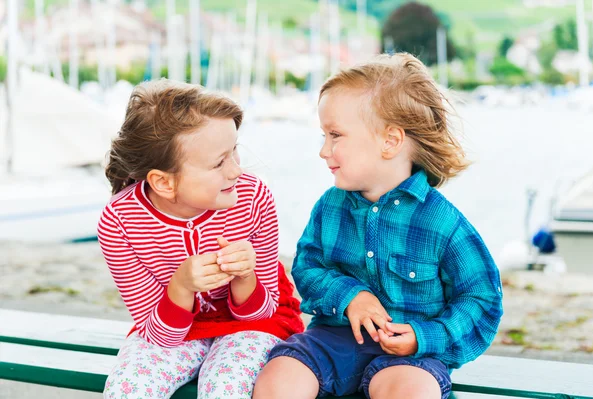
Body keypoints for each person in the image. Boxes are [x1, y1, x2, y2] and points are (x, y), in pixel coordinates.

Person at [253, 53, 503, 399]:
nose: (324, 151)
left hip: (409, 358)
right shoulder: (330, 206)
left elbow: (481, 298)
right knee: (278, 376)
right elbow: (307, 266)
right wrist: (349, 296)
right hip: (331, 341)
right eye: (323, 136)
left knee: (411, 392)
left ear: (390, 141)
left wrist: (425, 337)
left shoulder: (443, 223)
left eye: (335, 135)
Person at [97, 79, 303, 399]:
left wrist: (244, 275)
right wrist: (181, 286)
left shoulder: (253, 197)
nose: (236, 170)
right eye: (219, 162)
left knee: (225, 385)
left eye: (234, 151)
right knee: (129, 389)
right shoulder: (119, 222)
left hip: (253, 323)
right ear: (164, 183)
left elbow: (260, 313)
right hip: (173, 328)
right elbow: (159, 335)